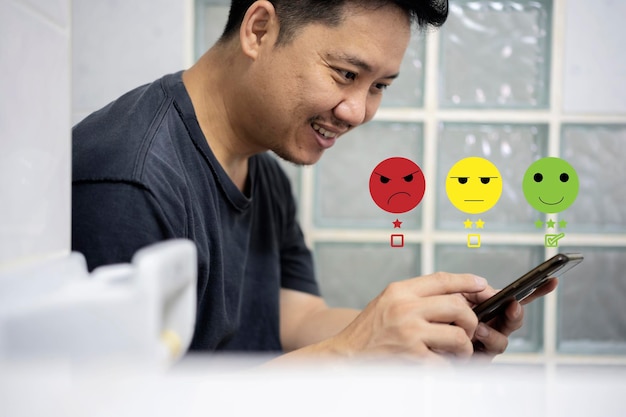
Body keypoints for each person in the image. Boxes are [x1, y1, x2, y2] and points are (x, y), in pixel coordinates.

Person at [72, 0, 557, 363]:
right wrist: (351, 351)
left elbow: (294, 318)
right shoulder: (128, 183)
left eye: (379, 87)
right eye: (345, 73)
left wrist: (417, 336)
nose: (358, 111)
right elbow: (128, 405)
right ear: (258, 30)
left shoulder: (260, 163)